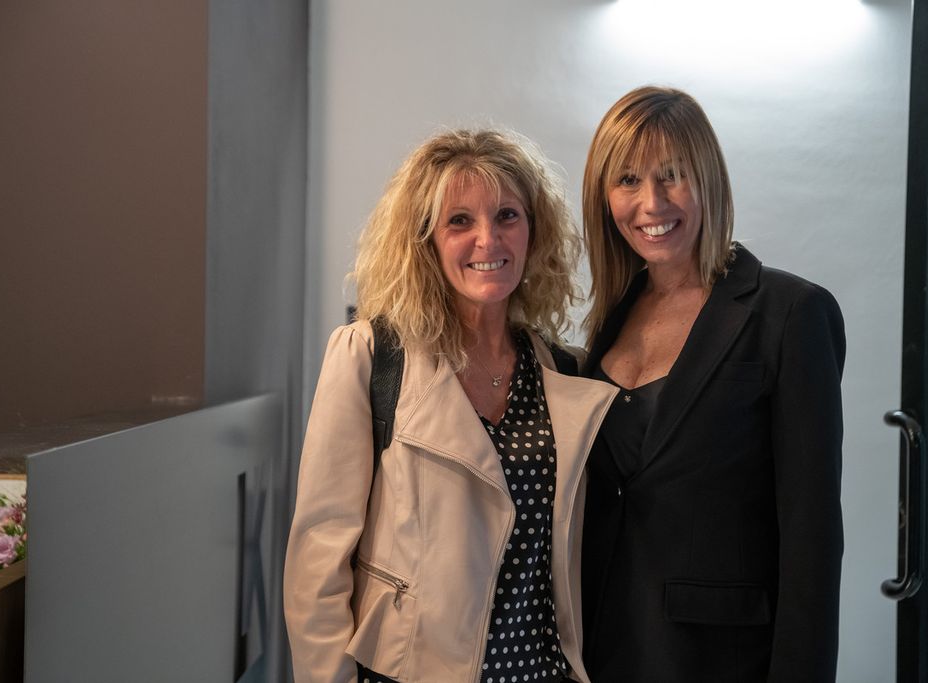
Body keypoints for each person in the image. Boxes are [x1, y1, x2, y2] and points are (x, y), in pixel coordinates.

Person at [284, 129, 617, 683]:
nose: (488, 239)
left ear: (533, 231)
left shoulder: (562, 370)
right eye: (459, 221)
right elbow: (319, 556)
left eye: (507, 215)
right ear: (425, 240)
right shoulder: (372, 356)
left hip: (540, 671)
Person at [579, 86, 845, 682]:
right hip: (605, 647)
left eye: (672, 175)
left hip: (721, 660)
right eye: (627, 180)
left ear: (708, 179)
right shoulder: (613, 317)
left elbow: (812, 539)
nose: (651, 203)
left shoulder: (790, 312)